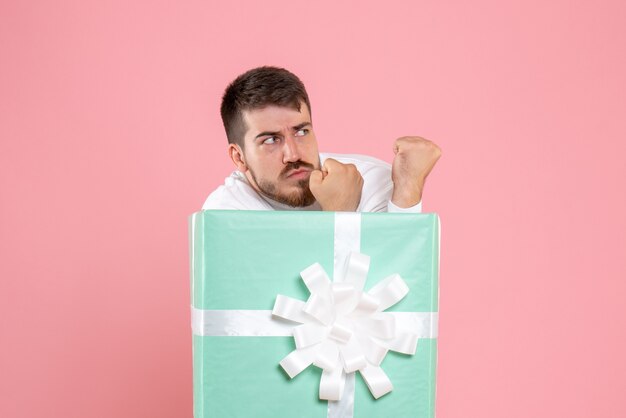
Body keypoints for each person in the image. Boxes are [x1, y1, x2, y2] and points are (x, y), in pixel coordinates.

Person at [202, 66, 441, 212]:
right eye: (270, 140)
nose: (293, 154)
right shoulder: (226, 212)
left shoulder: (375, 181)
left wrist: (408, 191)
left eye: (301, 131)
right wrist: (340, 213)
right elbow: (278, 294)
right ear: (239, 157)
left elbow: (399, 284)